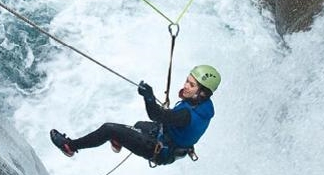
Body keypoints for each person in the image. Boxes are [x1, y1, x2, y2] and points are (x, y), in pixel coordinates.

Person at [50, 65, 221, 166]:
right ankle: (119, 139)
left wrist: (148, 97)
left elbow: (156, 115)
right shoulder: (203, 106)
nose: (185, 86)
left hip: (160, 150)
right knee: (139, 125)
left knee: (109, 129)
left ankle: (69, 146)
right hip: (169, 140)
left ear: (203, 93)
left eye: (191, 85)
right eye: (187, 80)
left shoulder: (187, 115)